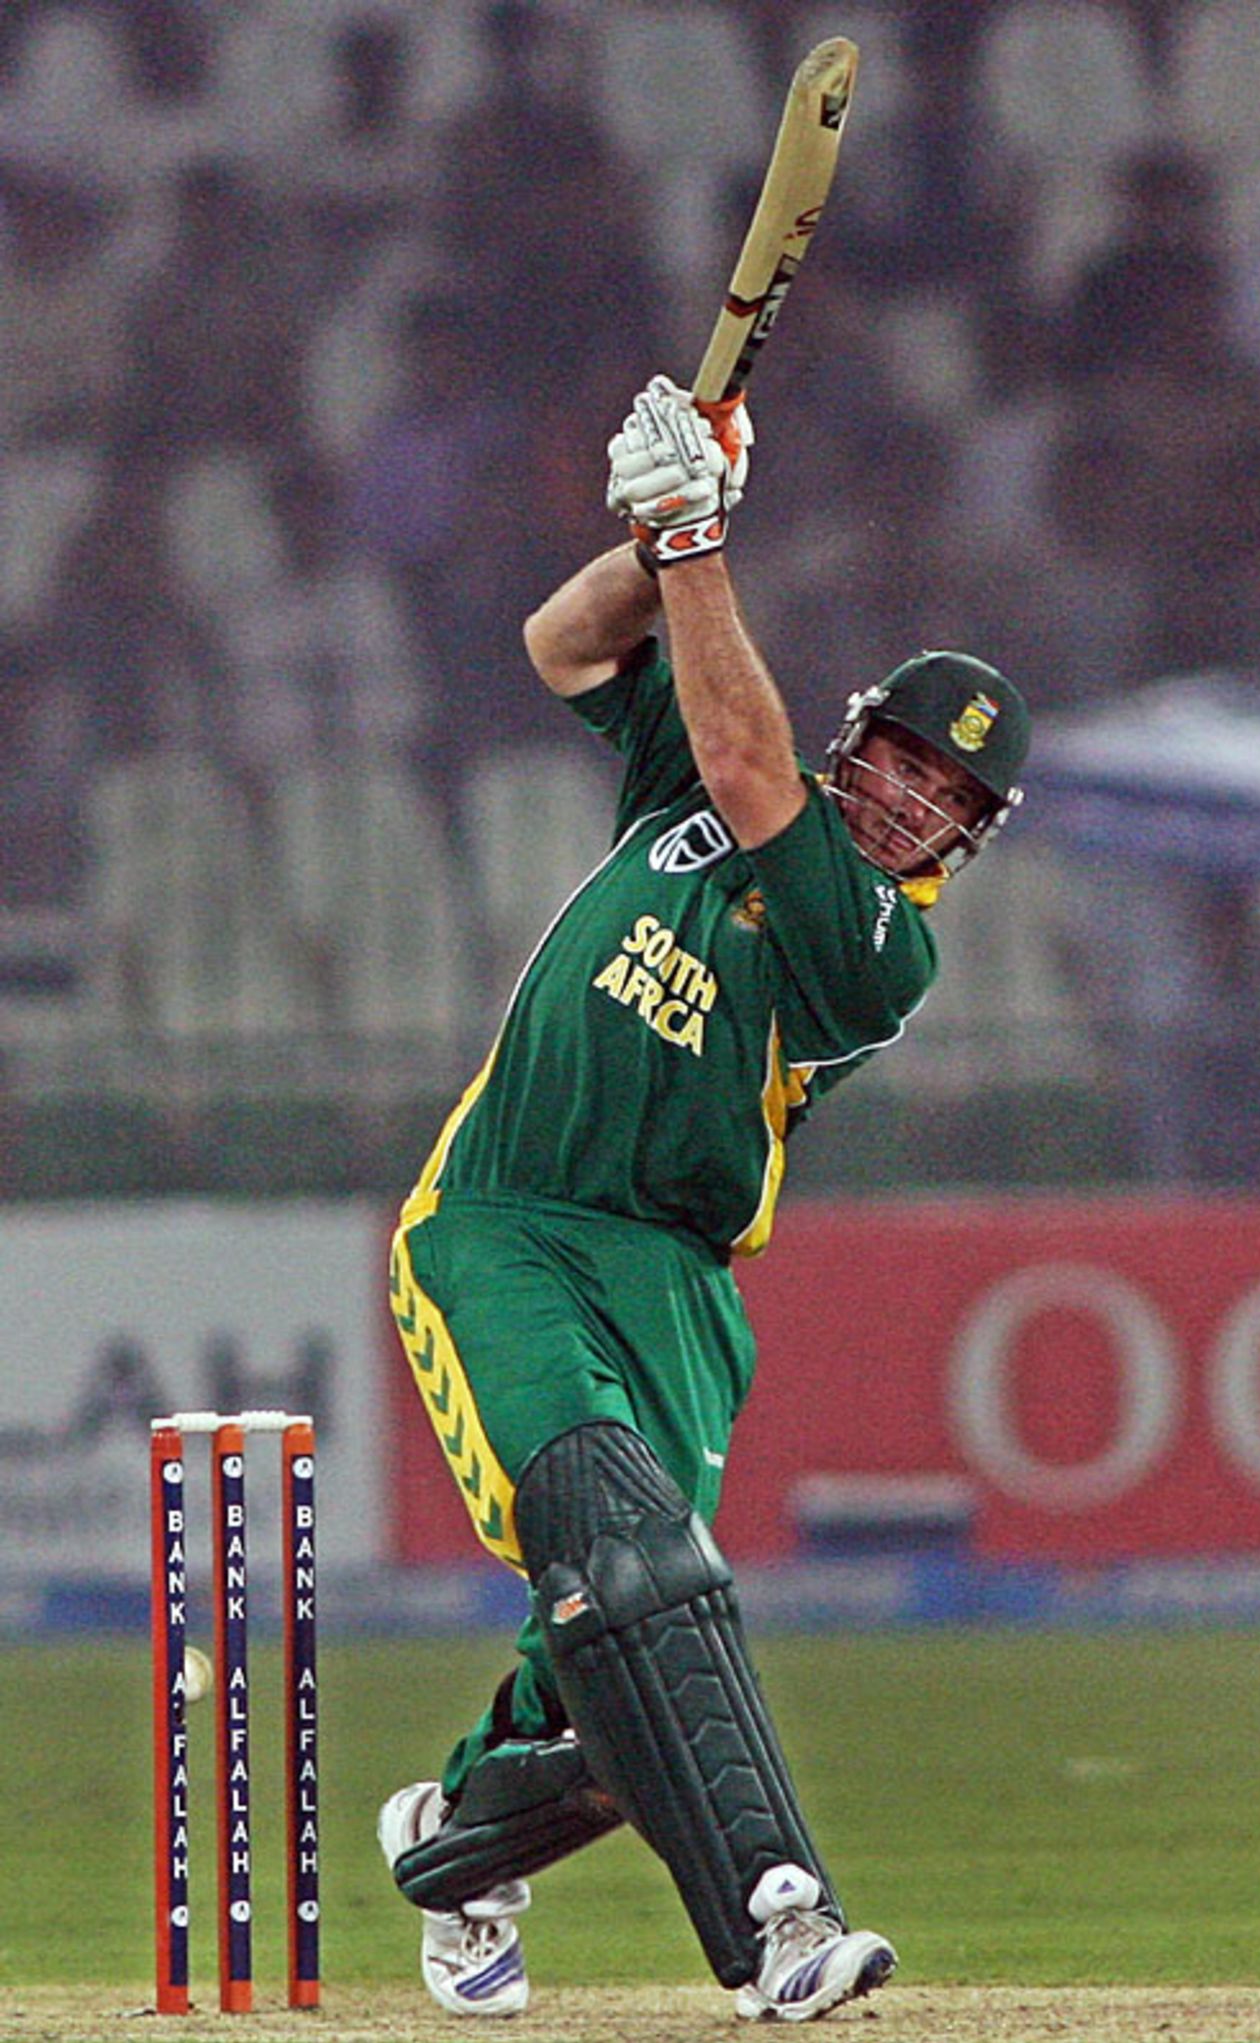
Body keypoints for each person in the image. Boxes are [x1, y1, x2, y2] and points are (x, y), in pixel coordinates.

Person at [378, 374, 1031, 2022]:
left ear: (963, 841)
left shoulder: (876, 947)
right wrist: (648, 535)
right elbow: (569, 646)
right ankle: (780, 1924)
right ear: (860, 736)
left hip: (675, 1285)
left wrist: (695, 530)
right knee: (629, 1554)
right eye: (891, 763)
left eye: (941, 804)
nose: (903, 802)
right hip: (506, 1221)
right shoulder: (703, 775)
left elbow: (748, 758)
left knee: (615, 1662)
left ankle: (451, 1842)